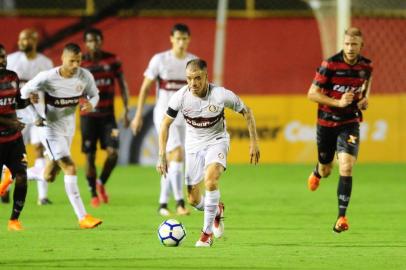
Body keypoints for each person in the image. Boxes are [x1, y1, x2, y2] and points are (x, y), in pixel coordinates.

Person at [157, 59, 260, 247]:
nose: (193, 83)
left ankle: (206, 234)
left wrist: (254, 142)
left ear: (206, 77)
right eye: (189, 79)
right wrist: (162, 155)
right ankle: (216, 210)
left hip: (217, 141)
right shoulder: (180, 97)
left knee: (211, 180)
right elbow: (165, 124)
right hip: (193, 146)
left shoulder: (221, 95)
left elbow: (247, 112)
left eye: (197, 78)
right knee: (193, 199)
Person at [20, 43, 102, 229]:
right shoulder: (47, 77)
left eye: (78, 61)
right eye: (71, 61)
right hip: (49, 129)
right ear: (62, 59)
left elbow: (95, 95)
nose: (75, 65)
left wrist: (92, 104)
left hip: (68, 128)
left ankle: (18, 173)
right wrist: (34, 116)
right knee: (70, 167)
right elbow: (22, 93)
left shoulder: (84, 75)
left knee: (49, 175)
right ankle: (83, 217)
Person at [306, 27, 373, 233]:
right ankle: (318, 171)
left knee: (346, 166)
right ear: (342, 44)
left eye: (354, 44)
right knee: (327, 169)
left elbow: (365, 89)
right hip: (326, 122)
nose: (350, 48)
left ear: (361, 46)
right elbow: (312, 94)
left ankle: (341, 217)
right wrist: (338, 102)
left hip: (350, 123)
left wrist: (363, 101)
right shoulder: (330, 64)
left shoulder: (366, 67)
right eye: (346, 44)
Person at [131, 23, 197, 216]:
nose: (181, 42)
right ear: (171, 39)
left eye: (184, 38)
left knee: (173, 159)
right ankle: (179, 202)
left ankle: (162, 203)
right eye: (178, 38)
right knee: (176, 154)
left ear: (189, 40)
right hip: (165, 114)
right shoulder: (160, 60)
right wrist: (137, 115)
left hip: (185, 115)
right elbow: (145, 88)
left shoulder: (192, 61)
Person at [80, 28, 130, 207]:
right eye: (90, 41)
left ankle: (100, 182)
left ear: (101, 41)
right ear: (85, 43)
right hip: (88, 116)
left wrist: (125, 108)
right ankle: (93, 192)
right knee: (90, 156)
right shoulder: (81, 63)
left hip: (109, 117)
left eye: (96, 40)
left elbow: (122, 84)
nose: (93, 44)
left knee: (113, 153)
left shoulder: (112, 60)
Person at [4, 28, 54, 206]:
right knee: (10, 150)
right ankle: (6, 188)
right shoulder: (12, 60)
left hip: (38, 112)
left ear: (35, 40)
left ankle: (42, 196)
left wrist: (40, 95)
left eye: (26, 39)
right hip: (16, 113)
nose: (22, 42)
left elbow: (51, 88)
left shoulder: (45, 63)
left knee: (40, 148)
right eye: (21, 39)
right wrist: (24, 96)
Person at [0, 44, 29, 231]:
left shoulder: (12, 76)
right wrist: (11, 123)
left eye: (3, 56)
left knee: (22, 176)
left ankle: (14, 220)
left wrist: (28, 100)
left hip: (14, 140)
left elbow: (16, 102)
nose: (2, 60)